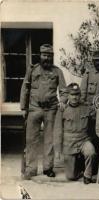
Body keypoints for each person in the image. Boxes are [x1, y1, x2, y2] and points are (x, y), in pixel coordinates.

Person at [20, 44, 67, 180]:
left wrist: (62, 101)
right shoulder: (32, 70)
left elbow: (63, 91)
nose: (46, 58)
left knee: (49, 140)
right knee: (31, 139)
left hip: (51, 109)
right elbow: (25, 87)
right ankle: (31, 168)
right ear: (40, 55)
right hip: (34, 108)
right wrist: (23, 107)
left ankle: (48, 167)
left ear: (52, 57)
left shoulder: (58, 72)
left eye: (49, 55)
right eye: (44, 55)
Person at [54, 83, 96, 184]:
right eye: (72, 95)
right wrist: (58, 150)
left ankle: (87, 175)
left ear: (80, 95)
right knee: (71, 176)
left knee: (91, 151)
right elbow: (58, 130)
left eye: (77, 94)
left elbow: (93, 124)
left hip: (83, 140)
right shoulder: (62, 110)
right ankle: (79, 167)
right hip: (69, 143)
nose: (75, 97)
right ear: (68, 95)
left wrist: (90, 139)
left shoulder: (86, 108)